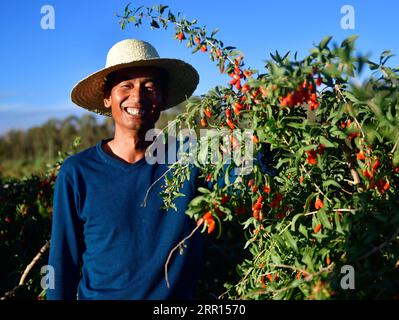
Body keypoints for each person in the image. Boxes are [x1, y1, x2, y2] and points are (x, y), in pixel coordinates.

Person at [47, 39, 203, 300]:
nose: (138, 96)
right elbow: (62, 265)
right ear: (108, 98)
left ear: (162, 98)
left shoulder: (188, 160)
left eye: (149, 87)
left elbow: (248, 182)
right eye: (126, 86)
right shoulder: (77, 173)